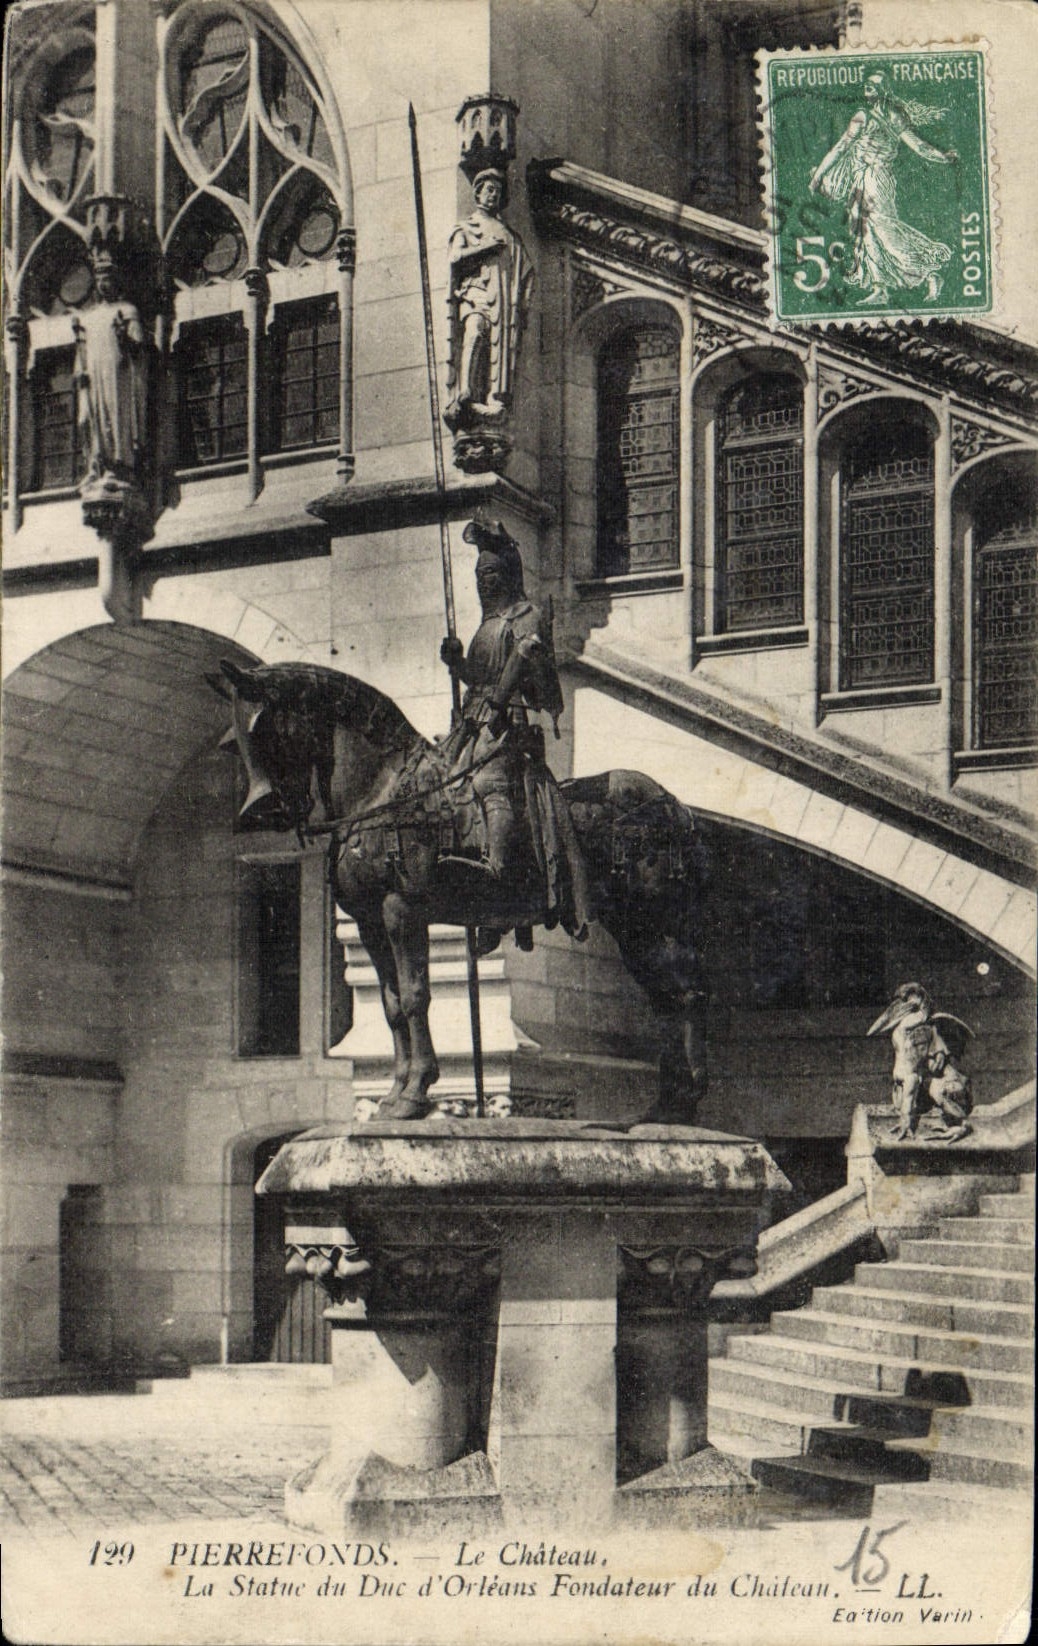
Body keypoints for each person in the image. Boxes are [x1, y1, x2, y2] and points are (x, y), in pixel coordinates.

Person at [440, 518, 589, 947]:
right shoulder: (486, 625)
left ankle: (498, 881)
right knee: (439, 781)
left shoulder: (528, 616)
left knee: (489, 783)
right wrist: (457, 663)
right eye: (479, 575)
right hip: (471, 722)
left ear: (506, 574)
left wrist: (512, 679)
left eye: (490, 573)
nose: (483, 582)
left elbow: (537, 679)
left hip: (509, 725)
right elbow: (478, 678)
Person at [808, 71, 957, 305]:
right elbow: (841, 147)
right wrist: (818, 175)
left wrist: (943, 157)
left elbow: (918, 146)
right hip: (864, 178)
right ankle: (880, 287)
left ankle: (928, 273)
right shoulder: (876, 116)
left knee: (882, 229)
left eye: (874, 85)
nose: (868, 87)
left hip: (874, 179)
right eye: (868, 84)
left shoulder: (876, 117)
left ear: (884, 90)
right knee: (863, 231)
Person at [445, 169, 533, 428]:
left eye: (498, 191)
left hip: (503, 301)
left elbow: (527, 269)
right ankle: (465, 391)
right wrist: (486, 248)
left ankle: (495, 398)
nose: (493, 195)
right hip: (476, 292)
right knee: (474, 332)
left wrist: (524, 301)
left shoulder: (509, 234)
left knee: (499, 345)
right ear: (477, 193)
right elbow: (455, 258)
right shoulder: (466, 227)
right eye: (489, 189)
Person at [73, 257, 148, 486]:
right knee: (90, 417)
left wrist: (124, 336)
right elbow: (82, 352)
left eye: (107, 279)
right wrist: (80, 371)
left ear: (116, 282)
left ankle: (119, 465)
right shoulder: (89, 317)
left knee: (116, 415)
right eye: (99, 280)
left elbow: (139, 349)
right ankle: (97, 464)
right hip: (94, 375)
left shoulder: (127, 311)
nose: (103, 284)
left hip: (117, 372)